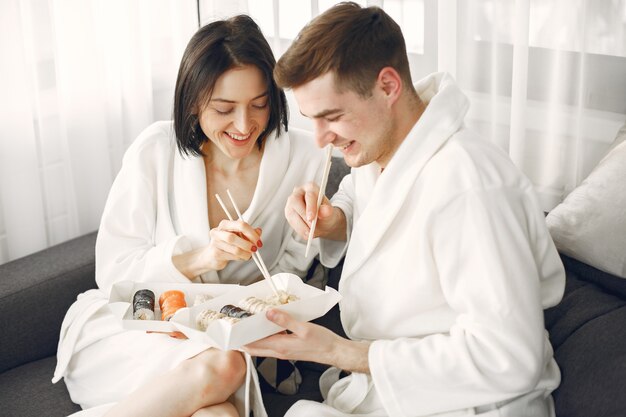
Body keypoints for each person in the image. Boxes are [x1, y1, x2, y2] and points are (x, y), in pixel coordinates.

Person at [244, 3, 566, 417]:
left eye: (331, 117)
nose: (321, 140)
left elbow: (508, 357)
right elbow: (374, 206)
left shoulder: (469, 186)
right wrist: (335, 221)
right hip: (394, 389)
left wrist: (345, 353)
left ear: (388, 86)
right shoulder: (386, 146)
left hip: (468, 402)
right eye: (311, 119)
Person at [52, 15, 327, 417]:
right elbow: (113, 273)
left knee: (219, 412)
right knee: (225, 366)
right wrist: (203, 258)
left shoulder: (305, 157)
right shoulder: (155, 151)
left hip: (219, 336)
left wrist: (325, 224)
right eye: (224, 108)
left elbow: (297, 271)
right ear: (194, 100)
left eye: (259, 105)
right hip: (130, 325)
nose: (244, 124)